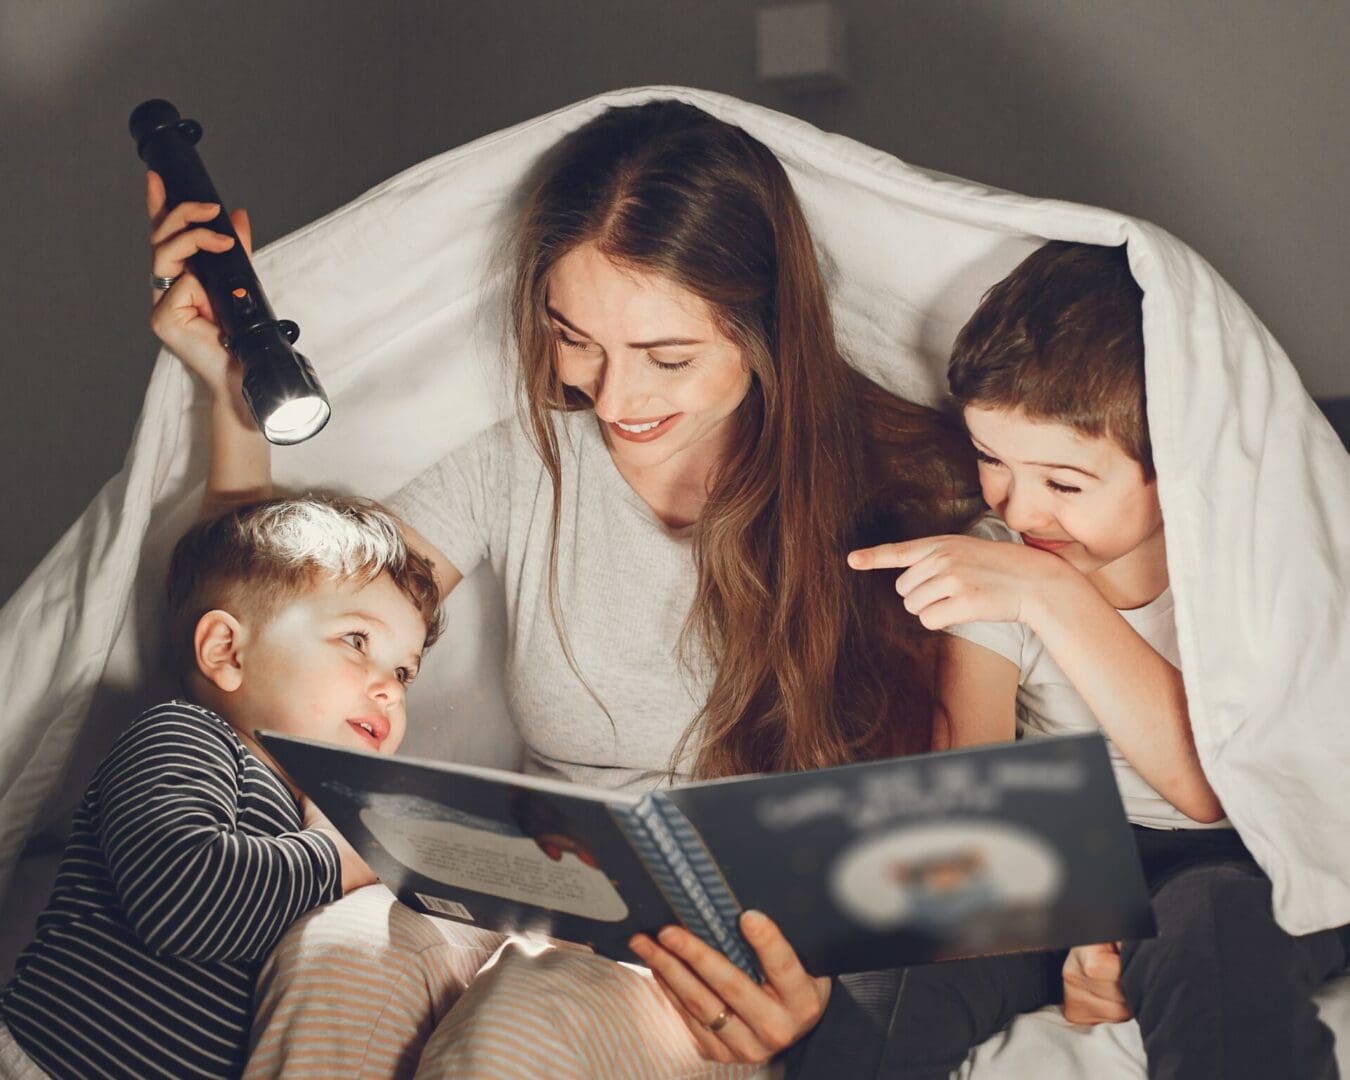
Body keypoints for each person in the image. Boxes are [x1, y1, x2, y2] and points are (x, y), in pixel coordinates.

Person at [145, 102, 1119, 1077]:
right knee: (337, 953)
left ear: (763, 329)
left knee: (523, 1023)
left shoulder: (911, 492)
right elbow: (273, 622)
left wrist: (828, 1005)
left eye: (667, 358)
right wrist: (230, 393)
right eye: (577, 340)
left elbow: (969, 825)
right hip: (529, 887)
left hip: (728, 946)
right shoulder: (525, 462)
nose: (613, 400)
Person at [839, 241, 1349, 1079]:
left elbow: (1211, 786)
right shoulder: (998, 549)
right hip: (1070, 849)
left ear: (1178, 469)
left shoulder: (1252, 559)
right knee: (889, 977)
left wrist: (1052, 595)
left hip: (1254, 850)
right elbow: (969, 777)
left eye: (1066, 484)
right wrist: (1069, 914)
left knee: (1215, 929)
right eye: (991, 460)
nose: (1018, 505)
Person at [0, 494, 443, 1079]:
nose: (390, 687)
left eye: (405, 672)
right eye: (357, 641)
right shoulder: (189, 736)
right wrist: (337, 859)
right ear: (226, 651)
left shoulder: (318, 816)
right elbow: (177, 897)